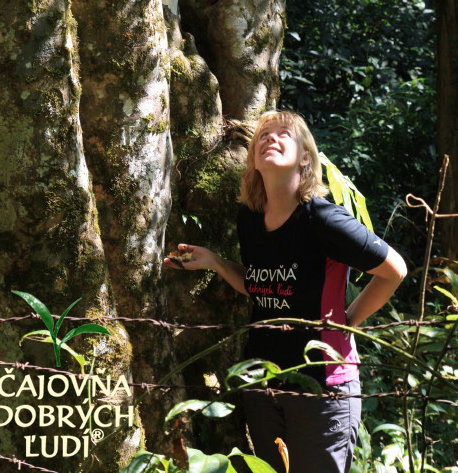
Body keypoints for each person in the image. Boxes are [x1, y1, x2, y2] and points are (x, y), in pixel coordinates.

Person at [164, 109, 407, 473]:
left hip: (321, 388)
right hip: (263, 383)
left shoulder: (324, 220)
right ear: (253, 160)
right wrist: (215, 262)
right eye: (263, 135)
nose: (270, 139)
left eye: (283, 134)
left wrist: (346, 321)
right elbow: (265, 286)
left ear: (305, 157)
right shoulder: (250, 219)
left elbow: (394, 270)